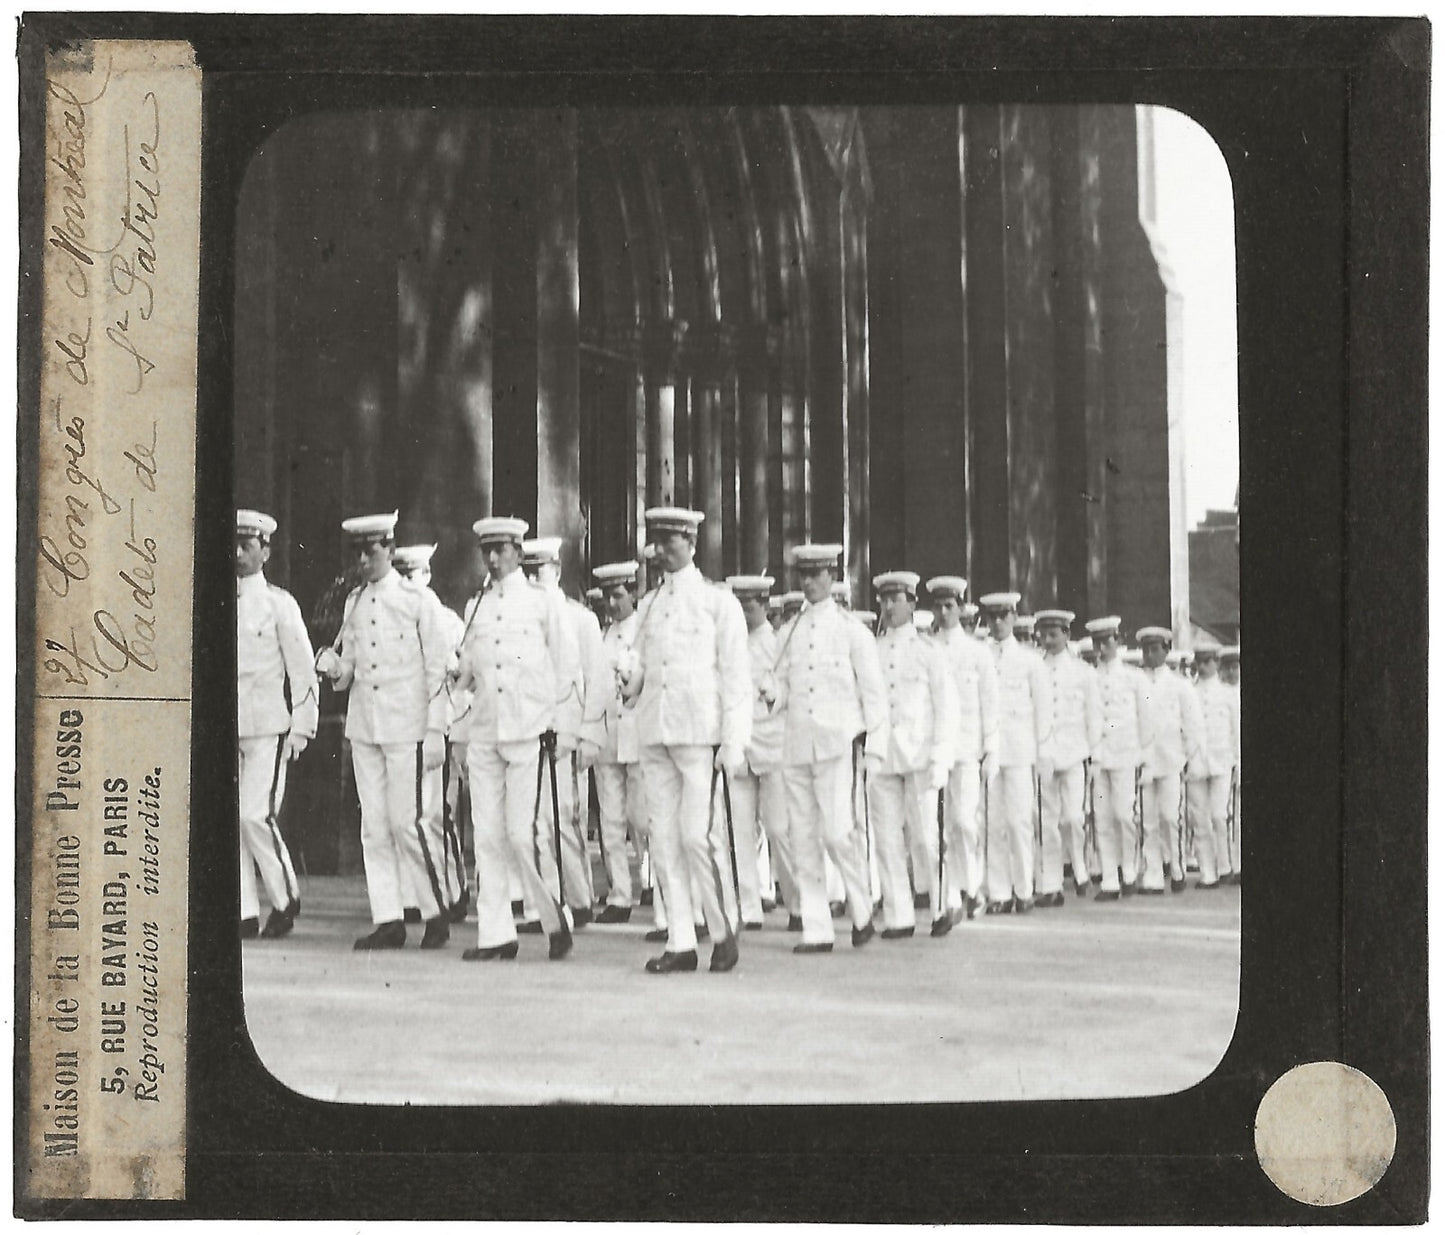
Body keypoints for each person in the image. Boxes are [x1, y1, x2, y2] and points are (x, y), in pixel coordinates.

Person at [315, 512, 453, 950]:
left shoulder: (417, 601)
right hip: (366, 726)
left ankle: (434, 912)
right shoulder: (355, 602)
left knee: (408, 822)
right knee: (373, 827)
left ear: (390, 550)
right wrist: (334, 668)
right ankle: (388, 917)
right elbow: (349, 668)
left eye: (371, 550)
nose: (362, 560)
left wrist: (436, 730)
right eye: (357, 552)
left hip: (407, 726)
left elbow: (438, 671)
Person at [623, 507, 751, 974]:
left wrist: (734, 743)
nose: (658, 551)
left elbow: (736, 677)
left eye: (669, 541)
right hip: (656, 732)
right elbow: (639, 668)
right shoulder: (650, 605)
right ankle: (680, 941)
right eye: (655, 541)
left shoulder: (718, 603)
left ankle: (722, 930)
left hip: (700, 735)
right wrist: (629, 681)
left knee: (697, 837)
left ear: (691, 542)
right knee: (664, 841)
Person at [451, 516, 579, 961]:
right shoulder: (477, 608)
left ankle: (553, 916)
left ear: (519, 554)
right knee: (487, 835)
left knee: (520, 835)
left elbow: (566, 670)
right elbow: (469, 672)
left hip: (529, 731)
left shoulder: (544, 604)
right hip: (486, 729)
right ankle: (496, 934)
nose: (492, 558)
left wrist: (561, 727)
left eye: (502, 549)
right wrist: (457, 682)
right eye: (487, 550)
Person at [771, 543, 888, 953]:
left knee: (839, 834)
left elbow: (874, 695)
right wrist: (773, 695)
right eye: (803, 574)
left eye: (817, 574)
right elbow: (782, 686)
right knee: (802, 837)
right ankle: (816, 928)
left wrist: (875, 748)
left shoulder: (852, 631)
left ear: (832, 577)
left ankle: (861, 910)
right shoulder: (789, 633)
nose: (809, 582)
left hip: (838, 745)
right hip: (797, 745)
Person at [236, 509, 317, 941]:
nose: (236, 554)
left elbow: (303, 671)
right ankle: (243, 912)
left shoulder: (278, 604)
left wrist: (303, 726)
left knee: (255, 815)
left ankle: (285, 899)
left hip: (268, 726)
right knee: (229, 823)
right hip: (225, 729)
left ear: (264, 550)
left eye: (246, 546)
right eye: (232, 544)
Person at [522, 536, 606, 928]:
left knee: (564, 819)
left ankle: (579, 896)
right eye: (528, 571)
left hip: (567, 731)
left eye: (540, 571)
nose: (534, 580)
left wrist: (590, 734)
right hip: (529, 730)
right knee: (536, 821)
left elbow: (596, 679)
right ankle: (552, 904)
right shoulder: (522, 616)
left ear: (555, 571)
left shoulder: (580, 619)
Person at [869, 571, 957, 938]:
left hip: (920, 755)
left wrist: (942, 756)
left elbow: (946, 707)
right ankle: (898, 915)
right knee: (887, 839)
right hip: (882, 755)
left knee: (925, 836)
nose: (889, 607)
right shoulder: (871, 650)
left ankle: (942, 904)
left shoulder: (928, 652)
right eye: (884, 600)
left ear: (912, 604)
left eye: (896, 599)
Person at [394, 543, 469, 923]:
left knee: (437, 813)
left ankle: (454, 890)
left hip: (442, 725)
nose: (409, 581)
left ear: (428, 575)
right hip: (405, 726)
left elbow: (463, 676)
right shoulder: (393, 617)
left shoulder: (448, 620)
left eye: (415, 574)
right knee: (409, 817)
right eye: (402, 573)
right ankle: (415, 896)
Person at [726, 574, 796, 930]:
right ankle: (748, 906)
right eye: (738, 605)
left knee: (780, 828)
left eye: (748, 606)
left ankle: (798, 903)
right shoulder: (731, 644)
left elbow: (791, 694)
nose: (742, 612)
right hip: (741, 749)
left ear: (765, 606)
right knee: (739, 832)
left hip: (774, 747)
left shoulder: (778, 644)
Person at [927, 576, 999, 920]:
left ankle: (972, 886)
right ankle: (950, 893)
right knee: (936, 825)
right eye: (938, 607)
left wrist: (991, 749)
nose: (943, 612)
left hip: (968, 748)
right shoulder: (926, 648)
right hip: (933, 749)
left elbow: (990, 704)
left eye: (949, 606)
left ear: (961, 607)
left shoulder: (977, 652)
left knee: (963, 821)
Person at [978, 592, 1052, 914]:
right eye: (992, 616)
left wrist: (1042, 752)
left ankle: (1023, 889)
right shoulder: (980, 656)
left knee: (1020, 822)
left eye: (1003, 615)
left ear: (1014, 617)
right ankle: (999, 892)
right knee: (993, 824)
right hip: (989, 751)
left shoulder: (1030, 660)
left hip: (1020, 751)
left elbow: (1043, 710)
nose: (998, 622)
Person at [591, 560, 646, 923]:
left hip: (639, 736)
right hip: (609, 737)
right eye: (608, 597)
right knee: (611, 820)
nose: (612, 605)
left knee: (641, 818)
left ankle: (653, 882)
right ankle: (620, 896)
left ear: (633, 593)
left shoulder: (646, 630)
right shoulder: (602, 636)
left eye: (618, 595)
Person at [1034, 610, 1102, 905]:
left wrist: (1092, 753)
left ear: (1066, 635)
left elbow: (1094, 715)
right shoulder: (1034, 668)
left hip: (1074, 753)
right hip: (1044, 753)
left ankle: (1080, 868)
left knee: (1073, 817)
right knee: (1047, 820)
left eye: (1054, 634)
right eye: (1044, 634)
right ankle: (1051, 884)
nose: (1048, 640)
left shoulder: (1083, 672)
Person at [1084, 616, 1153, 900]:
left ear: (1118, 641)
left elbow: (1147, 720)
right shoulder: (1089, 677)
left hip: (1126, 754)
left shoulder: (1134, 678)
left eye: (1107, 641)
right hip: (1099, 757)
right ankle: (1109, 878)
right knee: (1102, 818)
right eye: (1097, 642)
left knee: (1124, 816)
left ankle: (1129, 871)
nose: (1102, 647)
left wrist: (1145, 757)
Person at [1137, 626, 1206, 893]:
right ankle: (1153, 873)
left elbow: (1193, 724)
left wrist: (1187, 756)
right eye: (1146, 650)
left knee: (1169, 816)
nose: (1150, 655)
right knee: (1148, 820)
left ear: (1166, 650)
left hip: (1170, 760)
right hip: (1145, 761)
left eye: (1156, 649)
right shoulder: (1137, 681)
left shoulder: (1180, 685)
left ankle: (1176, 867)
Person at [1187, 640, 1241, 888]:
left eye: (1208, 661)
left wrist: (1237, 762)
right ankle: (1208, 872)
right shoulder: (1189, 691)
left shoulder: (1227, 694)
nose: (1203, 666)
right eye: (1199, 662)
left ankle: (1226, 866)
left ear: (1216, 663)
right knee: (1200, 818)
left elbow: (1235, 732)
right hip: (1196, 762)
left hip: (1221, 761)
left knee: (1220, 815)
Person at [1219, 644, 1242, 882]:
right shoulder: (1221, 695)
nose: (1233, 673)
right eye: (1229, 668)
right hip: (1229, 761)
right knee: (1232, 815)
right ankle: (1236, 865)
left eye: (1236, 667)